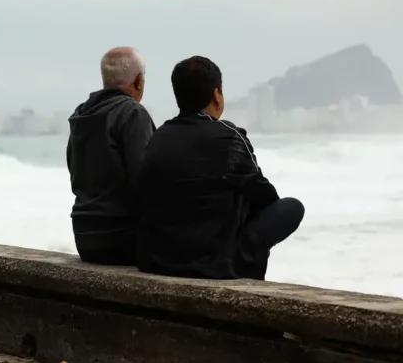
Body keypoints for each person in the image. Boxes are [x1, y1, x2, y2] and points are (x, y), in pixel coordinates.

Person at [137, 56, 304, 280]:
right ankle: (245, 266)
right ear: (217, 95)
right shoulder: (228, 136)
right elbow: (265, 197)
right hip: (215, 264)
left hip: (157, 260)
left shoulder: (158, 137)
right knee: (292, 207)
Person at [67, 47, 155, 265]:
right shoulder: (132, 113)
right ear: (139, 81)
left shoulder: (82, 115)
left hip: (84, 237)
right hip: (123, 238)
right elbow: (145, 180)